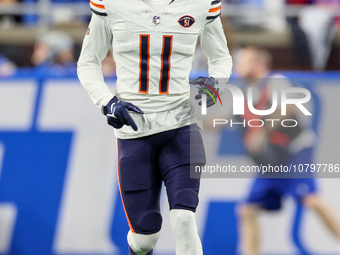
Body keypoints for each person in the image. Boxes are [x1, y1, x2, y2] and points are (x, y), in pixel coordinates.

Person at [77, 0, 233, 254]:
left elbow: (221, 57)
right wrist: (107, 102)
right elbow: (87, 62)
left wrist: (216, 83)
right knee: (145, 238)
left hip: (182, 125)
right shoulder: (113, 3)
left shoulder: (201, 3)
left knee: (184, 219)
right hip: (135, 130)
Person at [235, 47, 340, 255]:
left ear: (257, 63)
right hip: (272, 160)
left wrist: (263, 131)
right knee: (247, 209)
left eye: (242, 61)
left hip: (293, 151)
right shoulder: (246, 92)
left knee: (311, 199)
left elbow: (288, 109)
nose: (237, 66)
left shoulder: (276, 82)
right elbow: (220, 121)